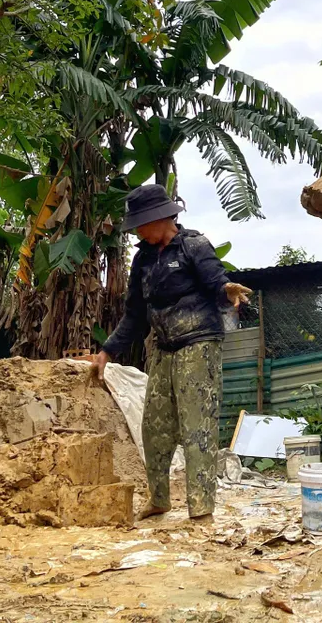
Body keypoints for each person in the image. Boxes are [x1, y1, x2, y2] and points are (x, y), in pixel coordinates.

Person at [85, 183, 250, 522]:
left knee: (197, 427)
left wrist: (227, 291)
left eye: (141, 224)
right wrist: (107, 352)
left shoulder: (194, 246)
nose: (138, 232)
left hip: (198, 343)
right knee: (155, 427)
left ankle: (201, 509)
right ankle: (159, 498)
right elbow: (134, 314)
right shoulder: (143, 260)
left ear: (161, 217)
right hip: (161, 346)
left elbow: (217, 282)